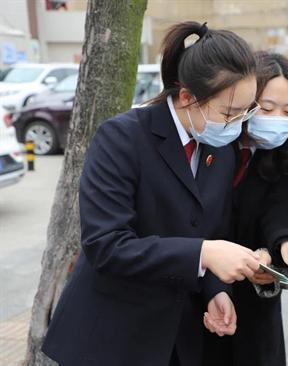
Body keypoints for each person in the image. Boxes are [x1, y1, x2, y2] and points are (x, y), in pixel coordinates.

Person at [42, 21, 262, 366]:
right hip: (111, 337)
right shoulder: (122, 138)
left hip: (177, 338)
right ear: (188, 96)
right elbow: (107, 244)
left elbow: (210, 232)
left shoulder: (219, 148)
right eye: (229, 113)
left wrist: (216, 290)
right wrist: (203, 254)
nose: (236, 124)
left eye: (245, 112)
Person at [202, 51, 288, 366]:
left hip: (253, 309)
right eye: (267, 109)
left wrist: (280, 247)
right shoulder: (212, 144)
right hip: (199, 296)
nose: (278, 120)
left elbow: (281, 207)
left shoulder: (282, 153)